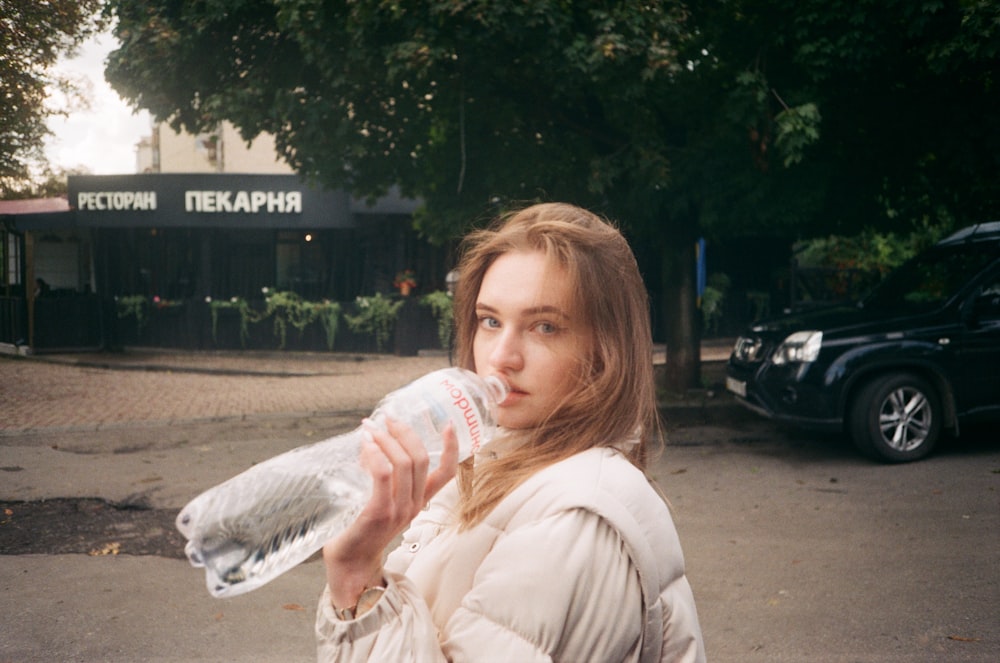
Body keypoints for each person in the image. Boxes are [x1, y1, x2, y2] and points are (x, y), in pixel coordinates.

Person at [317, 202, 705, 662]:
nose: (503, 356)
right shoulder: (494, 461)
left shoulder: (574, 519)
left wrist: (355, 574)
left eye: (544, 327)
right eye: (490, 321)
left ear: (606, 350)